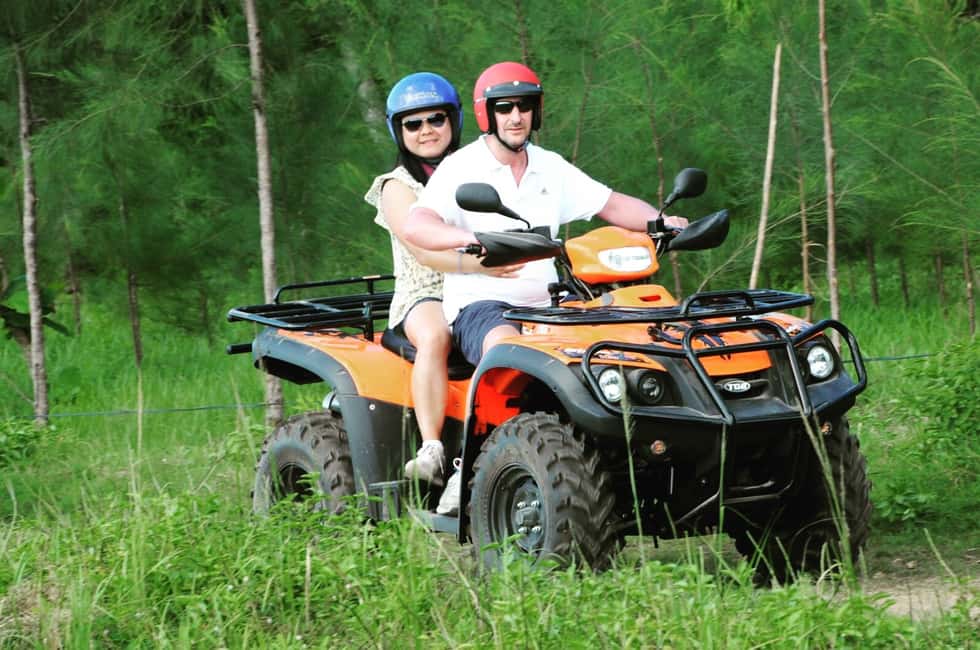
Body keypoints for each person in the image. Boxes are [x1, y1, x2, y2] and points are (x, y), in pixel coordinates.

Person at [400, 61, 689, 367]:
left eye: (524, 106)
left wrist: (661, 221)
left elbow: (612, 204)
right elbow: (417, 226)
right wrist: (470, 238)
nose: (515, 117)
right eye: (504, 108)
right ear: (487, 113)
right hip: (483, 306)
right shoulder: (461, 166)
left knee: (622, 344)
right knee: (506, 350)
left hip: (552, 301)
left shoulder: (549, 165)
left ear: (535, 112)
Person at [364, 72, 521, 503]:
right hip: (426, 291)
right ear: (399, 131)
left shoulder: (481, 169)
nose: (426, 130)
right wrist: (480, 266)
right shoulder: (397, 185)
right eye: (413, 124)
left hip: (489, 285)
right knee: (437, 335)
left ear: (453, 121)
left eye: (435, 119)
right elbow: (420, 248)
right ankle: (433, 448)